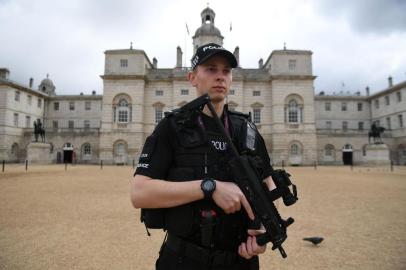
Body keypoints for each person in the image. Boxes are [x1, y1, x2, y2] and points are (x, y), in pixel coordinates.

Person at [131, 43, 276, 270]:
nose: (220, 76)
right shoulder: (172, 127)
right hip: (183, 261)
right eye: (210, 68)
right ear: (192, 77)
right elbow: (139, 194)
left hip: (240, 261)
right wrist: (210, 187)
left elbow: (268, 187)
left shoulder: (247, 131)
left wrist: (263, 232)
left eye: (226, 71)